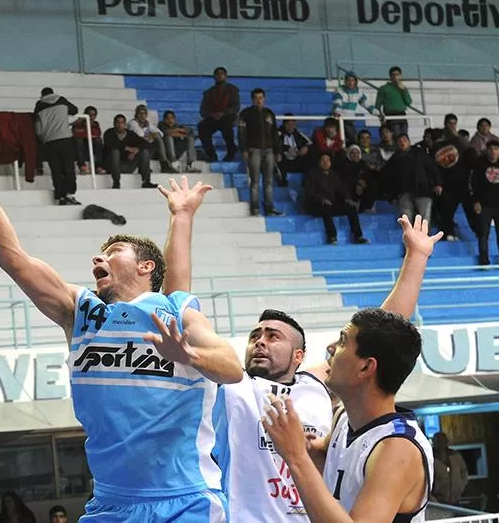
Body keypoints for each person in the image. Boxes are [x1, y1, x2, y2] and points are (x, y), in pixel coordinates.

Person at [0, 114, 243, 521]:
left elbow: (232, 368)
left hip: (184, 499)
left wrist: (189, 355)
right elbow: (13, 259)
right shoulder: (81, 312)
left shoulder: (176, 312)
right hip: (110, 502)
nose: (99, 257)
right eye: (100, 253)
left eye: (114, 252)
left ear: (146, 268)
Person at [165, 215, 434, 523]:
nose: (260, 342)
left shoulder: (319, 388)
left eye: (272, 336)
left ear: (299, 356)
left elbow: (381, 338)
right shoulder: (233, 382)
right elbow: (179, 308)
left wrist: (416, 260)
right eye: (256, 335)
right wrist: (182, 218)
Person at [259, 215, 443, 523]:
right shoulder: (346, 417)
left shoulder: (396, 448)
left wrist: (294, 455)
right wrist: (416, 258)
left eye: (343, 342)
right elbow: (384, 332)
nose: (331, 348)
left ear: (365, 369)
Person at [304, 152, 368, 245]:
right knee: (326, 208)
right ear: (318, 162)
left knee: (351, 207)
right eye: (323, 160)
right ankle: (332, 236)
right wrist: (321, 199)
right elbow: (309, 193)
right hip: (317, 205)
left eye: (328, 160)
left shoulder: (333, 174)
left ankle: (358, 236)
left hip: (331, 204)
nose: (326, 163)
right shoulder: (312, 174)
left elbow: (341, 189)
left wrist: (347, 198)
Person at [238, 88, 283, 217]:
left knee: (269, 181)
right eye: (256, 98)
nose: (259, 100)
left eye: (261, 98)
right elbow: (242, 133)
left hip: (269, 150)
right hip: (254, 150)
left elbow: (275, 133)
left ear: (264, 98)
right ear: (252, 99)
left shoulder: (269, 114)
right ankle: (255, 208)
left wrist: (278, 151)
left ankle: (269, 208)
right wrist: (244, 149)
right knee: (255, 181)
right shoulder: (245, 114)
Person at [472, 140, 499, 266]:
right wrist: (476, 201)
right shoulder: (479, 166)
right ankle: (484, 260)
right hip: (485, 206)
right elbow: (474, 185)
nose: (493, 151)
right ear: (487, 150)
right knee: (483, 234)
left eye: (496, 149)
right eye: (491, 149)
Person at [34, 87, 80, 205]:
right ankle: (70, 194)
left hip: (49, 142)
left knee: (56, 170)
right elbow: (74, 110)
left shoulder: (39, 105)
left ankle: (60, 196)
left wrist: (43, 139)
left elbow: (38, 129)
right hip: (65, 138)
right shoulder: (61, 100)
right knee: (69, 168)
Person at [198, 66, 240, 162]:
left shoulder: (232, 90)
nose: (220, 76)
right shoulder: (209, 92)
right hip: (213, 117)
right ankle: (211, 154)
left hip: (227, 116)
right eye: (218, 74)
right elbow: (203, 110)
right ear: (214, 77)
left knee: (226, 124)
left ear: (225, 76)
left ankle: (231, 151)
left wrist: (224, 113)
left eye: (222, 74)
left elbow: (236, 106)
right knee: (202, 126)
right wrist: (212, 115)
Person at [102, 114, 154, 189]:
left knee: (144, 151)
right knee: (115, 152)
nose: (120, 125)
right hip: (112, 166)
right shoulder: (109, 133)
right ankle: (116, 182)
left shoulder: (130, 134)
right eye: (118, 123)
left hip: (128, 164)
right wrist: (127, 148)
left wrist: (136, 150)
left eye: (122, 123)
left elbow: (145, 143)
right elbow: (111, 145)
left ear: (125, 124)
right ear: (114, 124)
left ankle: (146, 181)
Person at [431, 432, 468, 505]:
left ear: (446, 441)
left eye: (442, 440)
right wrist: (432, 498)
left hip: (455, 500)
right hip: (438, 502)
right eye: (437, 441)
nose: (440, 443)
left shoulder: (455, 456)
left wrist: (460, 488)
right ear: (434, 442)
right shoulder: (430, 458)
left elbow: (464, 472)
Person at [375, 66, 413, 137]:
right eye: (393, 74)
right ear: (390, 76)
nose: (395, 76)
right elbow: (378, 104)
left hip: (402, 114)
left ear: (400, 75)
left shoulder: (403, 88)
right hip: (391, 115)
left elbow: (408, 102)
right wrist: (381, 117)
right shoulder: (384, 88)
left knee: (404, 136)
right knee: (396, 136)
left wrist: (403, 90)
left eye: (397, 74)